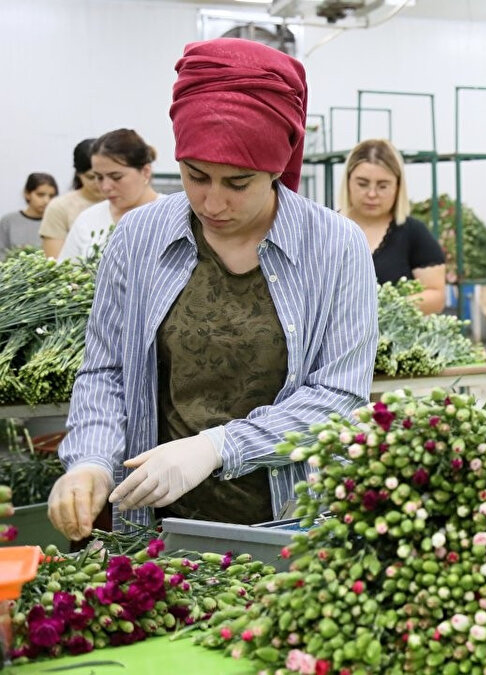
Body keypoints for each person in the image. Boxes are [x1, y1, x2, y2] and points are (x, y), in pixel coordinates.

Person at [47, 38, 377, 542]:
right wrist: (90, 460)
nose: (212, 201)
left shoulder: (334, 246)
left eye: (238, 183)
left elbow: (338, 396)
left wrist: (220, 446)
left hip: (288, 522)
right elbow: (107, 370)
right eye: (195, 175)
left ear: (275, 169)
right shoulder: (139, 238)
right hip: (157, 522)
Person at [340, 138, 446, 314]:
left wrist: (386, 308)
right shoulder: (326, 230)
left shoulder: (414, 233)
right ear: (348, 181)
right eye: (362, 184)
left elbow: (436, 296)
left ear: (398, 186)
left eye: (383, 186)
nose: (372, 194)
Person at [57, 130, 161, 262]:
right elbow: (67, 273)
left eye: (116, 177)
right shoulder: (88, 220)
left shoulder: (173, 215)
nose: (105, 187)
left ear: (145, 172)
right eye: (99, 177)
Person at [40, 139, 105, 257]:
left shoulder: (122, 202)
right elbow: (55, 262)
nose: (98, 183)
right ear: (78, 174)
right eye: (91, 177)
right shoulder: (60, 207)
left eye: (102, 177)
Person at [0, 173, 58, 259]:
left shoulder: (57, 222)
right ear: (27, 194)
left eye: (51, 196)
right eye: (40, 195)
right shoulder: (8, 222)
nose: (46, 200)